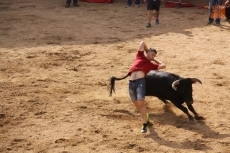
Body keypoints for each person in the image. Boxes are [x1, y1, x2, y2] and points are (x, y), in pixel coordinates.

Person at [127, 41, 166, 133]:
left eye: (154, 55)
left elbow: (163, 65)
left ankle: (144, 124)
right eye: (152, 54)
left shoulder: (151, 65)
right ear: (147, 52)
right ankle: (146, 116)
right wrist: (148, 50)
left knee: (141, 102)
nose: (152, 56)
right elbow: (142, 43)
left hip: (140, 82)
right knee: (136, 103)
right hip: (131, 83)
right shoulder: (139, 56)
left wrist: (154, 59)